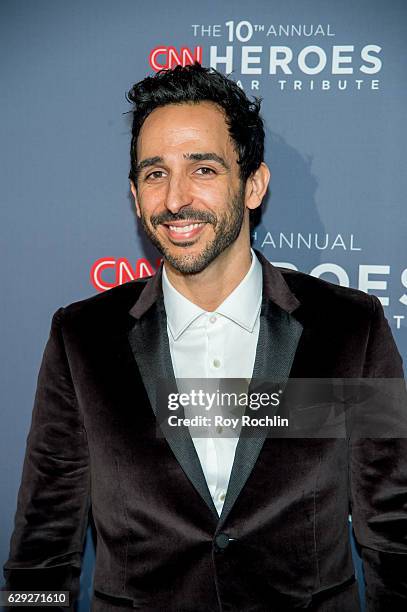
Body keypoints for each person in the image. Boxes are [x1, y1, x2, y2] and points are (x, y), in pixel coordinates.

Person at [4, 63, 407, 611]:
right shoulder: (83, 339)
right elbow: (42, 550)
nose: (175, 200)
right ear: (134, 192)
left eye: (203, 169)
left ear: (254, 185)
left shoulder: (349, 329)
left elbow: (394, 529)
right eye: (154, 173)